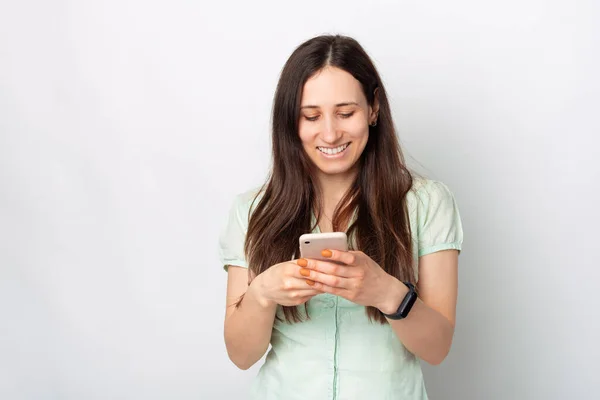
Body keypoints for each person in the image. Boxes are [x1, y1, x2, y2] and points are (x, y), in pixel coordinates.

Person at [218, 34, 463, 400]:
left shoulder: (427, 203)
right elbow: (241, 355)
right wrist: (263, 294)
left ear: (374, 109)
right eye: (311, 116)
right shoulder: (253, 210)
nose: (330, 133)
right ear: (290, 122)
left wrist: (386, 292)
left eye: (346, 113)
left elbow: (437, 348)